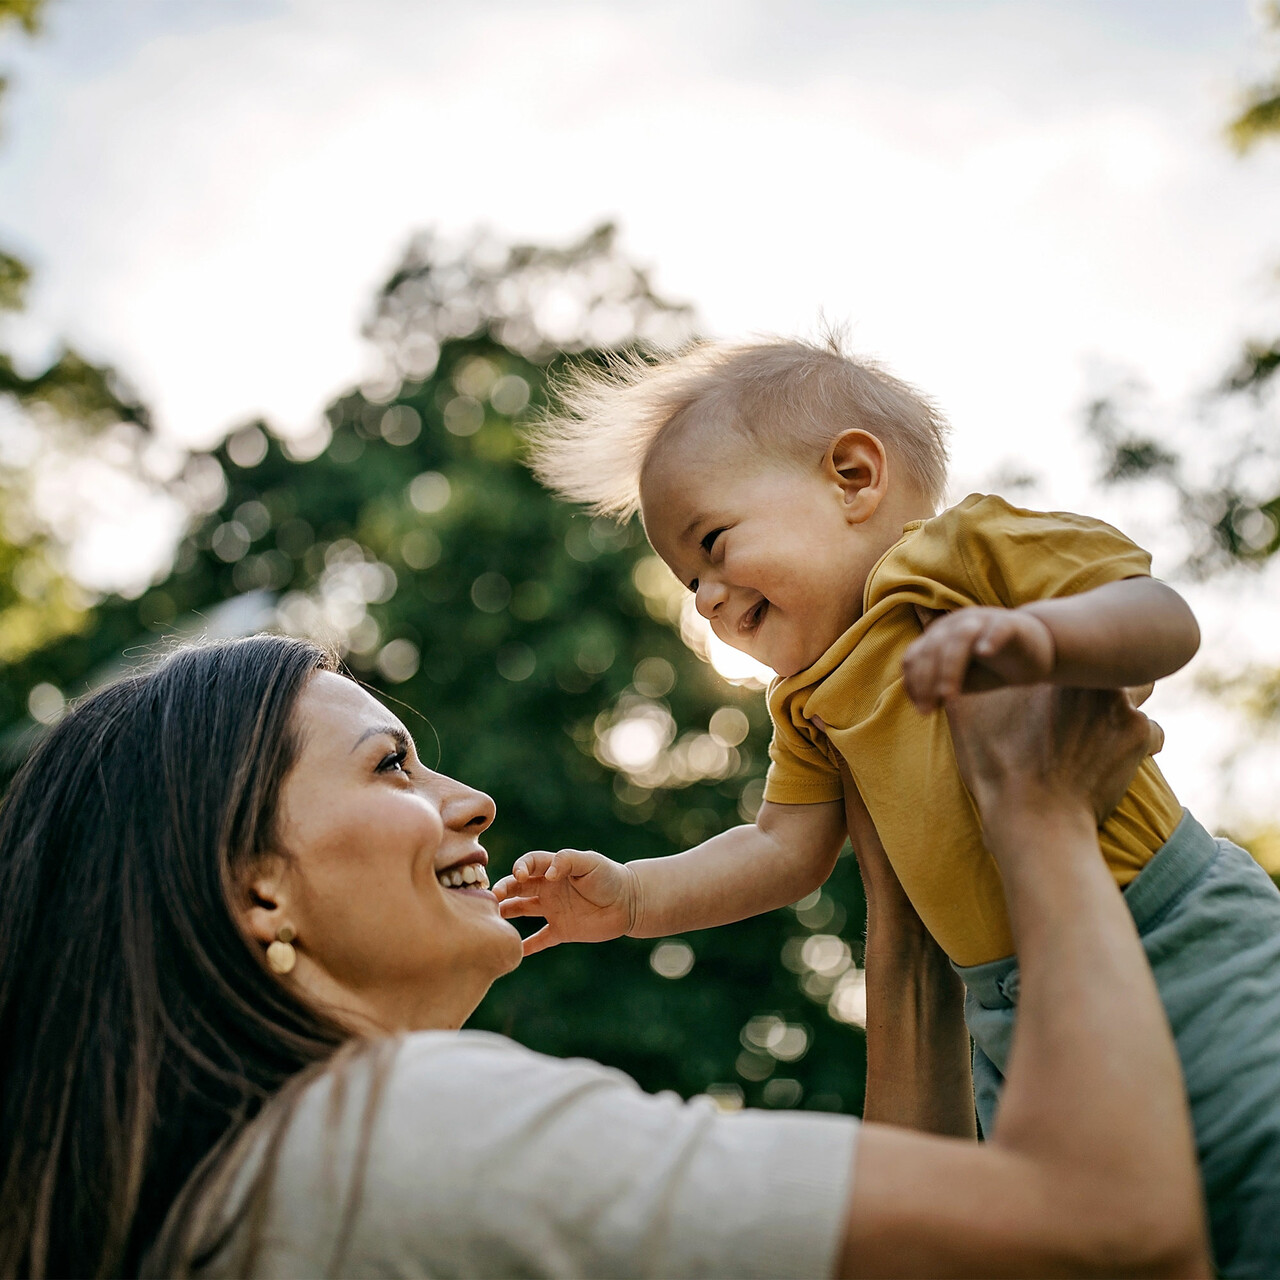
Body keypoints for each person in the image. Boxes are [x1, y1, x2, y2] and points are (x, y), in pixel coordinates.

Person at [0, 635, 1207, 1277]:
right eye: (389, 764)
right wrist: (1037, 813)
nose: (470, 799)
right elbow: (1112, 1229)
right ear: (255, 886)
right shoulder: (405, 1128)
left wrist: (900, 902)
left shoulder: (234, 1199)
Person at [507, 335, 1280, 1275]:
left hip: (1170, 927)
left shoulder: (962, 559)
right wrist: (634, 897)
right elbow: (780, 849)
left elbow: (1162, 617)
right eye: (689, 583)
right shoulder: (807, 700)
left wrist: (1042, 639)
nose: (706, 597)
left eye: (712, 544)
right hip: (1004, 1017)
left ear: (853, 476)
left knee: (1256, 1162)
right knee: (1117, 1236)